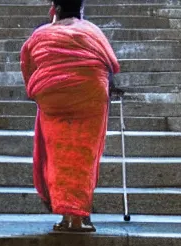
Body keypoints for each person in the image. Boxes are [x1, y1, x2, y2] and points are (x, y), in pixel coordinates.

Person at [20, 0, 120, 233]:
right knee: (83, 156)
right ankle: (79, 217)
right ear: (80, 10)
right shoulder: (92, 31)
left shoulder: (40, 34)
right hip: (89, 95)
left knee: (58, 156)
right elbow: (111, 64)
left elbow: (28, 66)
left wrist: (38, 91)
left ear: (56, 8)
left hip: (52, 96)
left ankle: (66, 215)